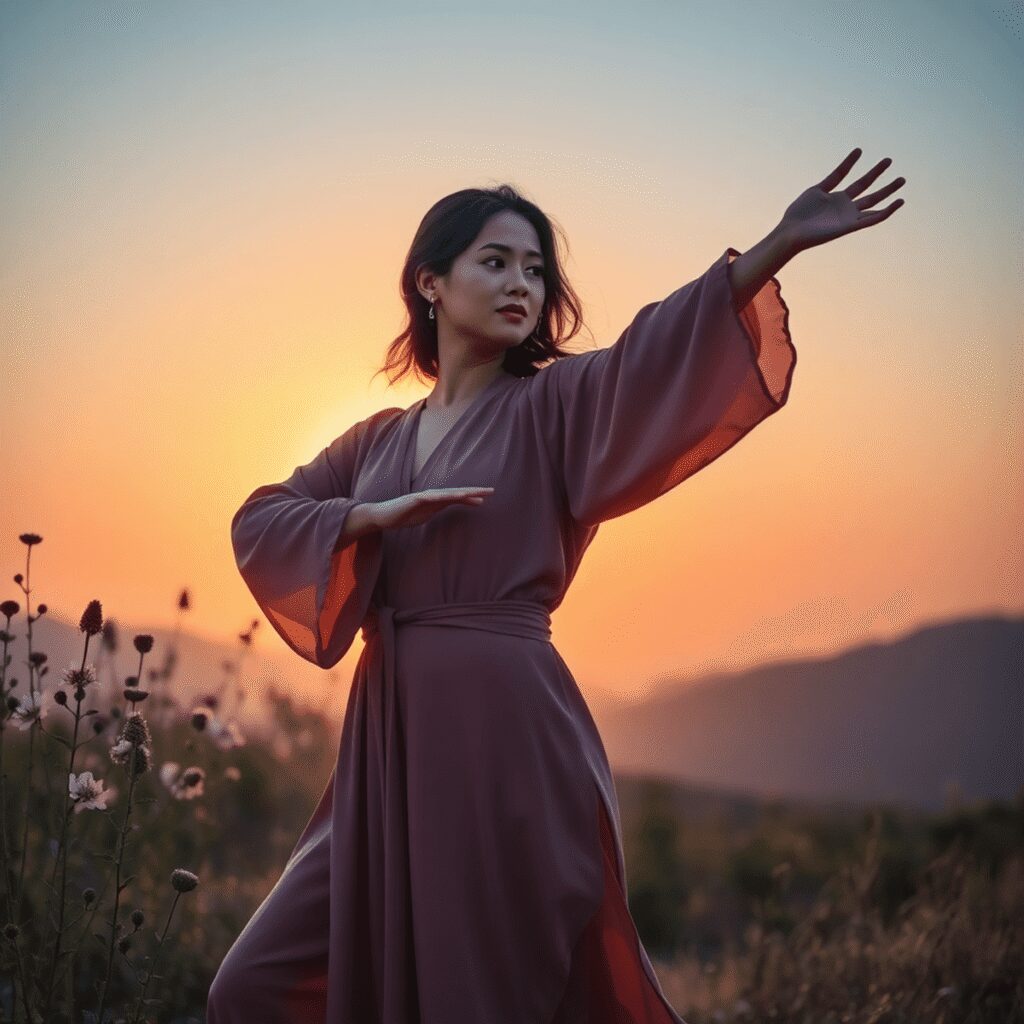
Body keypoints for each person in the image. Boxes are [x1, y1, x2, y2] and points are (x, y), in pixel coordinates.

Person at [208, 153, 904, 1023]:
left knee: (478, 993)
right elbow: (261, 519)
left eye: (536, 270)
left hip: (506, 736)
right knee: (252, 985)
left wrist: (775, 246)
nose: (521, 285)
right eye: (495, 262)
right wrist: (365, 519)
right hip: (387, 741)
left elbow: (654, 350)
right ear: (430, 281)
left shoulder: (553, 405)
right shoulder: (375, 442)